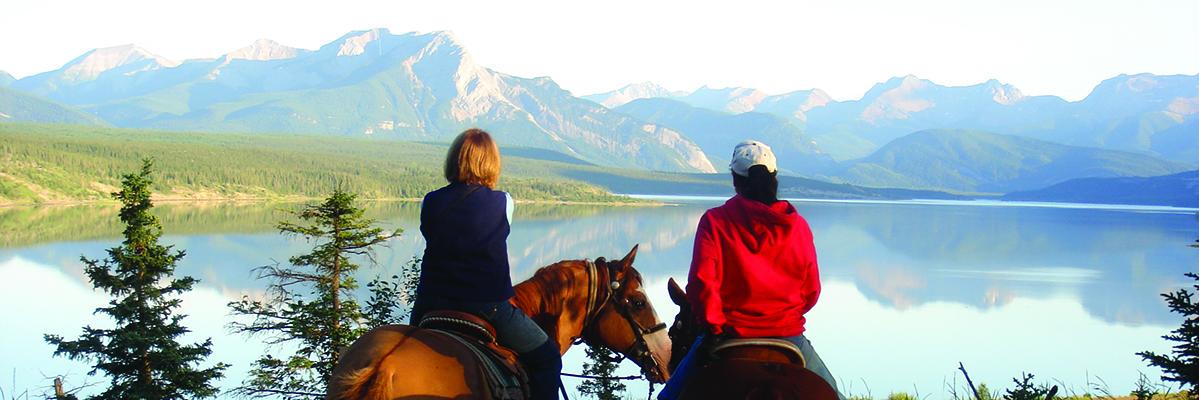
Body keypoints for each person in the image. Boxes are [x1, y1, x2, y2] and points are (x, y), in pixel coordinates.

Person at [661, 140, 843, 399]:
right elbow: (811, 291)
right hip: (788, 336)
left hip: (727, 335)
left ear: (735, 180)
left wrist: (714, 326)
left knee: (669, 397)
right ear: (774, 177)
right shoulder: (798, 226)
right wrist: (782, 316)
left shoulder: (715, 221)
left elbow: (702, 285)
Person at [409, 128, 563, 400]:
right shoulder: (503, 202)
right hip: (487, 305)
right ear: (491, 163)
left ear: (454, 160)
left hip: (431, 303)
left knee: (402, 344)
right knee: (548, 357)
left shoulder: (430, 201)